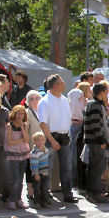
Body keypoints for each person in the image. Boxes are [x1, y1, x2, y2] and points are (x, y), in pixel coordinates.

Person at [37, 74, 77, 204]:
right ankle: (44, 195)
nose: (64, 84)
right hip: (51, 137)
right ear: (55, 85)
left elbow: (68, 118)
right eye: (61, 82)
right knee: (47, 168)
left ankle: (67, 194)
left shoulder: (65, 100)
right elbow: (43, 123)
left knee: (66, 167)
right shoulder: (45, 101)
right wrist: (52, 140)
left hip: (64, 136)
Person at [83, 82, 109, 204]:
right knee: (97, 168)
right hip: (96, 141)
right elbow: (95, 125)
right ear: (101, 92)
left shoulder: (93, 104)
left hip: (94, 141)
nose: (107, 94)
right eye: (106, 92)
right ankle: (95, 193)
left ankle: (93, 192)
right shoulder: (95, 105)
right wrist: (101, 140)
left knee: (95, 167)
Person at [4, 105, 31, 210]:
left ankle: (19, 199)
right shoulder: (9, 126)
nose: (20, 116)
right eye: (18, 113)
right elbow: (9, 142)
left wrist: (22, 128)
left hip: (23, 154)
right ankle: (12, 200)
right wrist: (21, 140)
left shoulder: (25, 125)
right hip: (13, 154)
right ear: (14, 114)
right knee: (14, 179)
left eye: (22, 113)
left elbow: (27, 139)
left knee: (20, 179)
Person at [29, 132, 52, 208]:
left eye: (42, 140)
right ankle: (37, 202)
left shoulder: (46, 150)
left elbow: (47, 158)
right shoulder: (34, 152)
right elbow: (34, 164)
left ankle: (44, 202)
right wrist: (36, 174)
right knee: (37, 189)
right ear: (34, 141)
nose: (40, 142)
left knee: (45, 188)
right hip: (38, 173)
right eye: (38, 140)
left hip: (45, 172)